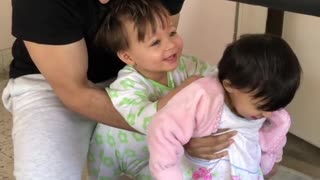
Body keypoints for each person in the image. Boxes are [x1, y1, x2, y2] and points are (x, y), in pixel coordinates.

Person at [1, 0, 236, 179]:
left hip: (142, 73)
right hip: (53, 85)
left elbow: (162, 41)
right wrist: (175, 132)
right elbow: (76, 92)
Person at [86, 0, 230, 179]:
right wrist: (187, 88)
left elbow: (217, 80)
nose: (170, 45)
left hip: (158, 150)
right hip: (119, 152)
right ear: (128, 56)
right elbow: (148, 121)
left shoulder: (187, 65)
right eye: (155, 43)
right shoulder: (126, 86)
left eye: (172, 33)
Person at [147, 34, 302, 179]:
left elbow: (275, 135)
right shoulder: (204, 97)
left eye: (273, 107)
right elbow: (163, 130)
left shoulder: (265, 107)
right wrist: (168, 174)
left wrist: (272, 159)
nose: (268, 115)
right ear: (230, 85)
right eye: (261, 106)